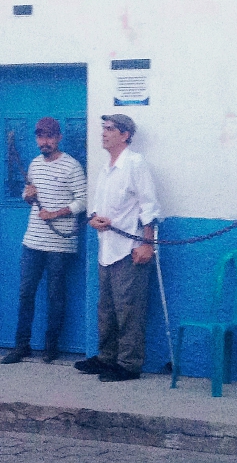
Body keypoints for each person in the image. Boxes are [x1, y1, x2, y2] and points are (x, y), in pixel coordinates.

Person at [74, 113, 160, 382]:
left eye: (110, 129)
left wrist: (147, 244)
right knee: (106, 308)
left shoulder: (135, 164)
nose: (104, 133)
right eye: (104, 128)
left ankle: (128, 365)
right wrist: (94, 220)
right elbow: (97, 208)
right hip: (106, 248)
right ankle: (106, 357)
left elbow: (150, 206)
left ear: (125, 135)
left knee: (129, 309)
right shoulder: (105, 168)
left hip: (129, 249)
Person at [0, 117, 87, 365]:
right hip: (33, 240)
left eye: (49, 136)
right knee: (26, 292)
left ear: (58, 137)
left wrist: (56, 213)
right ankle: (21, 346)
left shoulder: (72, 167)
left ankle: (51, 347)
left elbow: (83, 200)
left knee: (55, 295)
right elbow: (30, 195)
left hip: (60, 244)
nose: (44, 141)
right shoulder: (35, 164)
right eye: (40, 137)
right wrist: (27, 196)